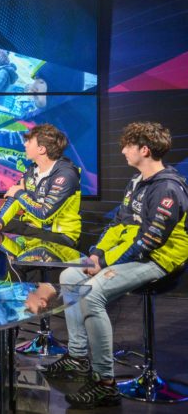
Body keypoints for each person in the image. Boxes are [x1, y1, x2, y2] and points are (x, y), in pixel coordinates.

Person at [45, 121, 188, 409]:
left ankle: (105, 384)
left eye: (128, 146)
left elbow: (150, 241)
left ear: (144, 150)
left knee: (93, 294)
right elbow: (118, 224)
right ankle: (78, 357)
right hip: (132, 255)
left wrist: (108, 263)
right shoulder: (136, 182)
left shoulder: (167, 188)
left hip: (159, 260)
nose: (123, 151)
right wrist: (97, 254)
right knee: (70, 276)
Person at [0, 124, 82, 247]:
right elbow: (14, 199)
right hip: (33, 231)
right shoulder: (31, 169)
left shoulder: (66, 174)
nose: (25, 144)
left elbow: (44, 214)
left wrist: (19, 193)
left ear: (41, 149)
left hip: (60, 236)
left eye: (29, 142)